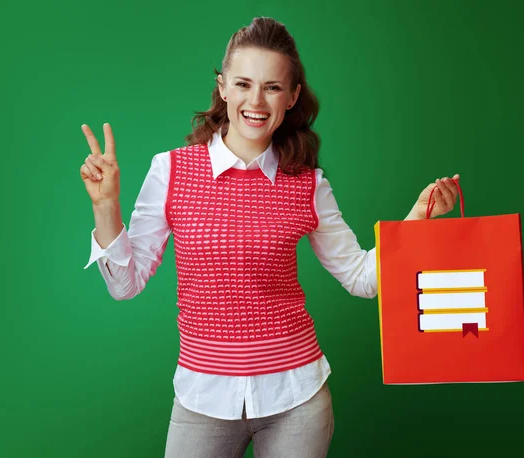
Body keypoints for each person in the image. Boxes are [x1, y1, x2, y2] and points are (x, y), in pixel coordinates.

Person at [80, 16, 460, 458]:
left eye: (273, 87)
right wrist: (105, 206)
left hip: (296, 397)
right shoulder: (170, 171)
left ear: (292, 96)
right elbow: (125, 286)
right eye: (243, 83)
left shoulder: (307, 183)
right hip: (202, 398)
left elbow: (363, 278)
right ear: (223, 87)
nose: (255, 101)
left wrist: (418, 215)